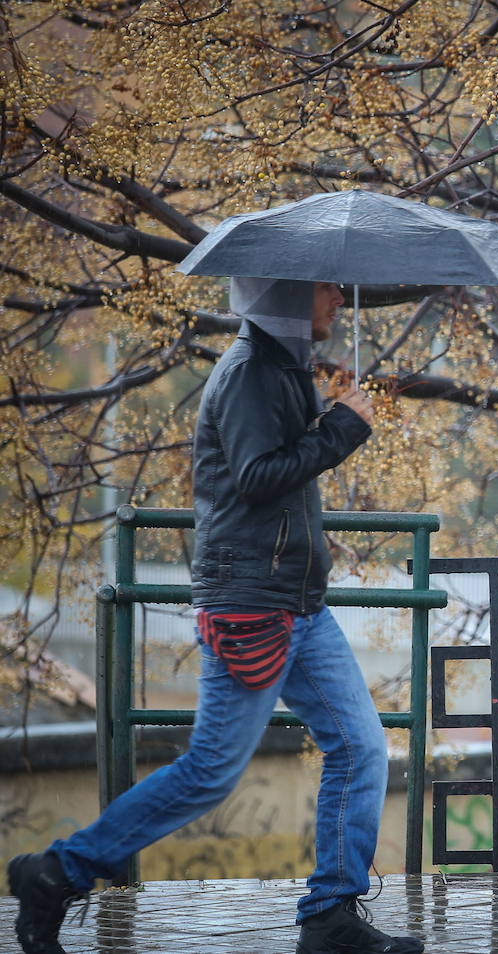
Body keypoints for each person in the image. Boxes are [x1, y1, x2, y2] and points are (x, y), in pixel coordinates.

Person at [7, 278, 425, 954]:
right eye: (325, 291)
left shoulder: (281, 366)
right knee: (210, 770)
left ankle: (330, 917)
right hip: (253, 607)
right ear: (288, 296)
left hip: (298, 604)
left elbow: (268, 485)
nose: (337, 303)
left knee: (360, 746)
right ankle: (57, 873)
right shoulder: (252, 373)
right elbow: (260, 476)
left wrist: (320, 503)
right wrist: (345, 427)